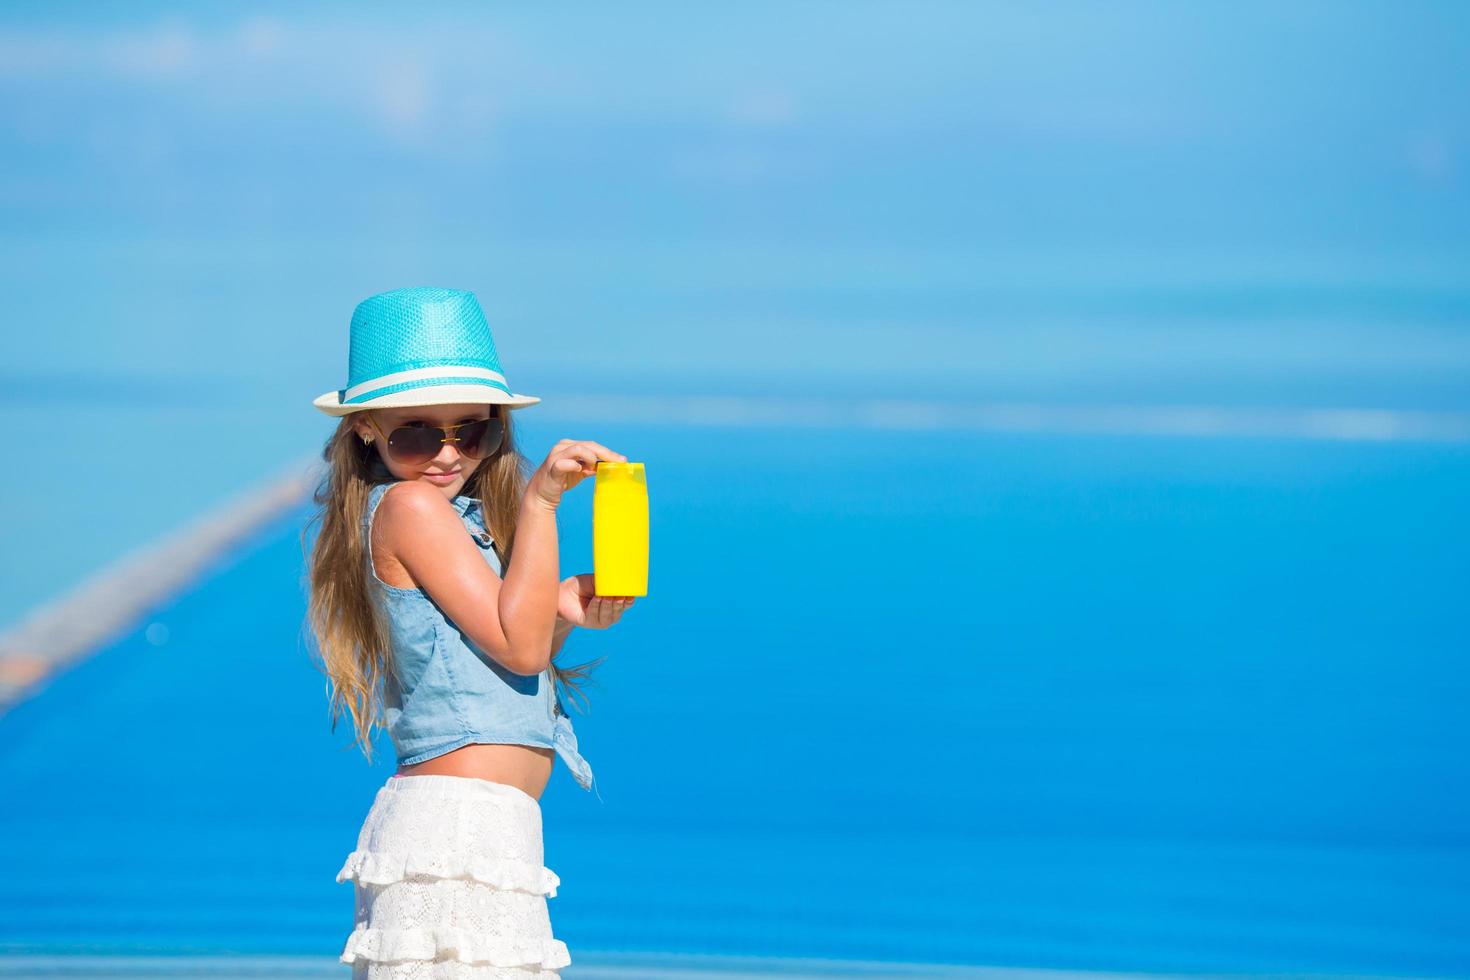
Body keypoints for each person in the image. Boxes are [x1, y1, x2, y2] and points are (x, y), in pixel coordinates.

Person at [304, 286, 635, 977]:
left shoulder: (454, 519)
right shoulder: (410, 508)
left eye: (471, 431)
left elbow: (521, 651)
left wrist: (562, 608)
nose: (448, 454)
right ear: (366, 428)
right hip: (456, 836)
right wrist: (541, 502)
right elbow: (517, 645)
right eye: (418, 433)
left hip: (483, 837)